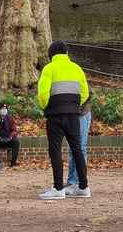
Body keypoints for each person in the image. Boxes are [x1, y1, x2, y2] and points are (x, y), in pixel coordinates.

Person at [36, 40, 90, 200]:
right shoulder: (77, 68)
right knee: (77, 150)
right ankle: (84, 187)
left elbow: (43, 93)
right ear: (66, 53)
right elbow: (85, 92)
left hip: (55, 115)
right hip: (73, 115)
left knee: (55, 151)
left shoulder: (49, 68)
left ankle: (58, 188)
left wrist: (47, 107)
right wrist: (74, 105)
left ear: (51, 54)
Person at [66, 89, 93, 192]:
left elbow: (88, 93)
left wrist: (74, 105)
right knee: (73, 149)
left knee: (80, 148)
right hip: (73, 114)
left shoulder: (77, 74)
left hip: (81, 114)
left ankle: (77, 182)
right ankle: (72, 182)